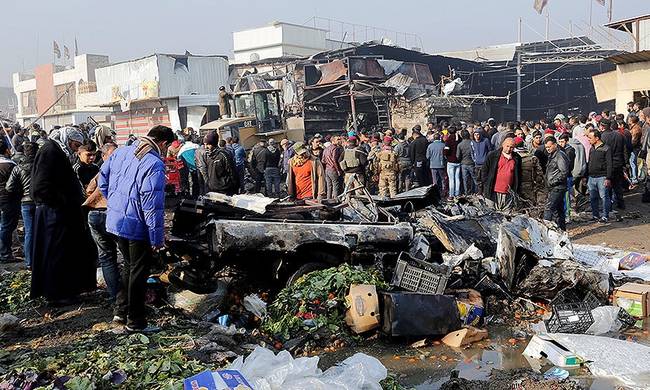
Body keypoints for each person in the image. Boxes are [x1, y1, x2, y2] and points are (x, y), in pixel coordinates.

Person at [99, 125, 174, 331]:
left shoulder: (122, 151)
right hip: (136, 226)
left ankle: (120, 312)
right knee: (138, 274)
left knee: (129, 268)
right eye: (168, 147)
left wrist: (114, 203)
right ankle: (136, 322)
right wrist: (156, 239)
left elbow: (102, 180)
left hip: (115, 221)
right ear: (163, 143)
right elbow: (152, 206)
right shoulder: (153, 163)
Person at [31, 127, 95, 305]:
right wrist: (62, 201)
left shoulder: (56, 150)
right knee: (55, 253)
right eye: (75, 144)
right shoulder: (50, 151)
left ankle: (65, 290)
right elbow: (41, 186)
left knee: (63, 252)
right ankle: (56, 294)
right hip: (54, 213)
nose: (76, 148)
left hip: (60, 212)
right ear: (68, 139)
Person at [84, 142, 120, 301]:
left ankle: (115, 295)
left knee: (106, 257)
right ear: (103, 156)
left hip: (95, 214)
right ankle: (125, 298)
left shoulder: (100, 172)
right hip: (113, 215)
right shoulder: (122, 171)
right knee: (128, 256)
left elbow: (89, 190)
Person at [6, 142, 37, 267]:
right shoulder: (41, 166)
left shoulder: (18, 167)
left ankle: (29, 262)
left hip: (25, 202)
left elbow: (9, 187)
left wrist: (21, 191)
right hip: (41, 202)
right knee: (44, 230)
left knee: (29, 232)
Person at [482, 137, 521, 211]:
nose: (509, 149)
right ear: (503, 144)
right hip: (493, 191)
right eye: (507, 146)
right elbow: (484, 171)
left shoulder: (517, 158)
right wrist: (485, 184)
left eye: (511, 147)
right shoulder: (492, 155)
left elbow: (518, 175)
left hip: (508, 192)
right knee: (491, 213)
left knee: (506, 215)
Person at [543, 137, 569, 230]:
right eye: (546, 147)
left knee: (549, 208)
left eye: (549, 146)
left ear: (555, 145)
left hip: (557, 187)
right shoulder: (552, 155)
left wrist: (553, 182)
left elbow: (564, 172)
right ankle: (562, 230)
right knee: (559, 210)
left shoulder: (560, 156)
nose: (548, 149)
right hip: (555, 186)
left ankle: (546, 231)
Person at [586, 129, 612, 222]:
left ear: (597, 138)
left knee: (604, 197)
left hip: (602, 177)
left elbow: (609, 164)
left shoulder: (606, 148)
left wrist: (608, 178)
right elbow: (589, 162)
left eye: (590, 138)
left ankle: (605, 216)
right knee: (593, 198)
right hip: (591, 177)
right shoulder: (592, 148)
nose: (588, 140)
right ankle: (595, 215)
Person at [599, 119, 626, 210]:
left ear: (602, 126)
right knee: (617, 185)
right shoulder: (619, 135)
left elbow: (601, 153)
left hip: (608, 164)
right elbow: (624, 150)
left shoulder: (602, 137)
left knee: (608, 186)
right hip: (618, 163)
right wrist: (625, 163)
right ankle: (621, 203)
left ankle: (609, 206)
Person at [514, 137, 545, 210]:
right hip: (529, 185)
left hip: (516, 185)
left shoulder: (513, 157)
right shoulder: (532, 157)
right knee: (530, 206)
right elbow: (539, 173)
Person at [203, 131, 238, 195]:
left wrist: (234, 189)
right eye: (204, 144)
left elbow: (232, 173)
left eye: (208, 144)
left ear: (214, 144)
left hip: (224, 190)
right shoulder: (206, 156)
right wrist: (209, 183)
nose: (206, 147)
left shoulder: (223, 155)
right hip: (212, 190)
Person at [0, 141, 18, 263]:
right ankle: (5, 253)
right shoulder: (11, 165)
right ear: (7, 151)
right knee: (7, 226)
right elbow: (15, 185)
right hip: (8, 200)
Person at [471, 129, 492, 195]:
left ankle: (485, 192)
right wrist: (474, 159)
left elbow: (490, 150)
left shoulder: (485, 140)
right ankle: (480, 191)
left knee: (484, 178)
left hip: (484, 163)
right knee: (478, 179)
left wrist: (487, 159)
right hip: (477, 163)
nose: (477, 136)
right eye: (475, 135)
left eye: (478, 134)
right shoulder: (472, 142)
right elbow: (472, 152)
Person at [456, 129, 476, 194]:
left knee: (465, 180)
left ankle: (467, 192)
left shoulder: (460, 145)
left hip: (463, 163)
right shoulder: (473, 142)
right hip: (472, 163)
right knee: (474, 178)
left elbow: (458, 156)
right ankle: (476, 192)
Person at [444, 127, 461, 197]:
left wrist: (444, 153)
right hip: (458, 161)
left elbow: (446, 151)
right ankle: (457, 193)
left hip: (450, 161)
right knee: (457, 178)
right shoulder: (459, 139)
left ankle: (451, 194)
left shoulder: (448, 140)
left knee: (451, 179)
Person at [629, 115, 643, 185]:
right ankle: (634, 177)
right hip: (634, 148)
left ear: (632, 121)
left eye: (629, 119)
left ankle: (634, 178)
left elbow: (633, 141)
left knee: (633, 163)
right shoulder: (634, 127)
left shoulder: (636, 129)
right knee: (632, 163)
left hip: (634, 148)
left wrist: (629, 146)